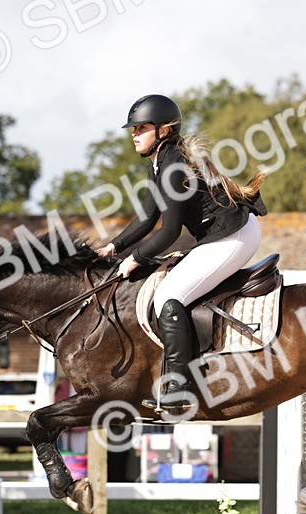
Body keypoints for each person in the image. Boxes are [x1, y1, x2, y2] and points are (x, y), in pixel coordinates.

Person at [95, 94, 267, 412]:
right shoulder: (160, 163)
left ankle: (179, 386)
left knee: (168, 297)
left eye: (141, 128)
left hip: (234, 236)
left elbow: (170, 232)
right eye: (133, 129)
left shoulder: (173, 167)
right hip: (221, 235)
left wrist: (135, 259)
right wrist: (114, 247)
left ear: (164, 130)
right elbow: (147, 218)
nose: (134, 134)